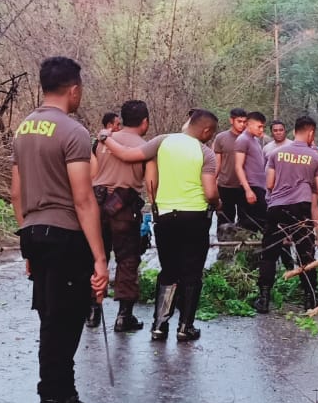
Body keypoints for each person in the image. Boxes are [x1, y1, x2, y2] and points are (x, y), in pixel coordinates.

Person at [10, 56, 108, 403]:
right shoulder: (73, 131)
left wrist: (26, 239)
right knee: (60, 325)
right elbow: (84, 199)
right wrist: (100, 258)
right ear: (74, 89)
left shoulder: (23, 129)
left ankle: (66, 400)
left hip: (35, 232)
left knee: (58, 319)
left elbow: (16, 192)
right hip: (66, 237)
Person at [100, 110, 220, 342]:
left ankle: (159, 326)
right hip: (195, 218)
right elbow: (210, 192)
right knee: (192, 272)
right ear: (206, 131)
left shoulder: (162, 141)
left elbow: (126, 154)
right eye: (212, 132)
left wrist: (106, 138)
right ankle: (185, 327)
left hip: (165, 216)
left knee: (169, 271)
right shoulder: (206, 153)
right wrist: (218, 202)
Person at [87, 100, 155, 333]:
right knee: (127, 259)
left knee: (98, 256)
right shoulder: (145, 147)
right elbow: (152, 184)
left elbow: (94, 175)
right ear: (145, 121)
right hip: (124, 208)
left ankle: (93, 310)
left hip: (97, 204)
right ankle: (124, 316)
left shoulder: (103, 142)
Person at [255, 116, 318, 313]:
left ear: (293, 131)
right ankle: (310, 297)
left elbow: (269, 184)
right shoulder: (315, 158)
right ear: (311, 133)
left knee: (269, 254)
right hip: (301, 209)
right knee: (306, 253)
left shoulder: (276, 154)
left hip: (276, 209)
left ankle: (263, 298)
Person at [213, 107, 248, 234]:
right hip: (225, 185)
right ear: (231, 120)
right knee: (225, 220)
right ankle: (224, 249)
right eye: (239, 121)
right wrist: (213, 183)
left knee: (245, 221)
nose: (242, 125)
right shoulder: (221, 138)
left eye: (245, 122)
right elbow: (217, 163)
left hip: (244, 186)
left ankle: (243, 250)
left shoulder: (250, 139)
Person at [234, 111, 268, 233]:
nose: (261, 130)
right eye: (259, 126)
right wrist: (248, 190)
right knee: (248, 226)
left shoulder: (255, 140)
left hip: (259, 188)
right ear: (248, 124)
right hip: (250, 188)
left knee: (261, 223)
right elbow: (238, 166)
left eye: (263, 127)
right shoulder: (243, 139)